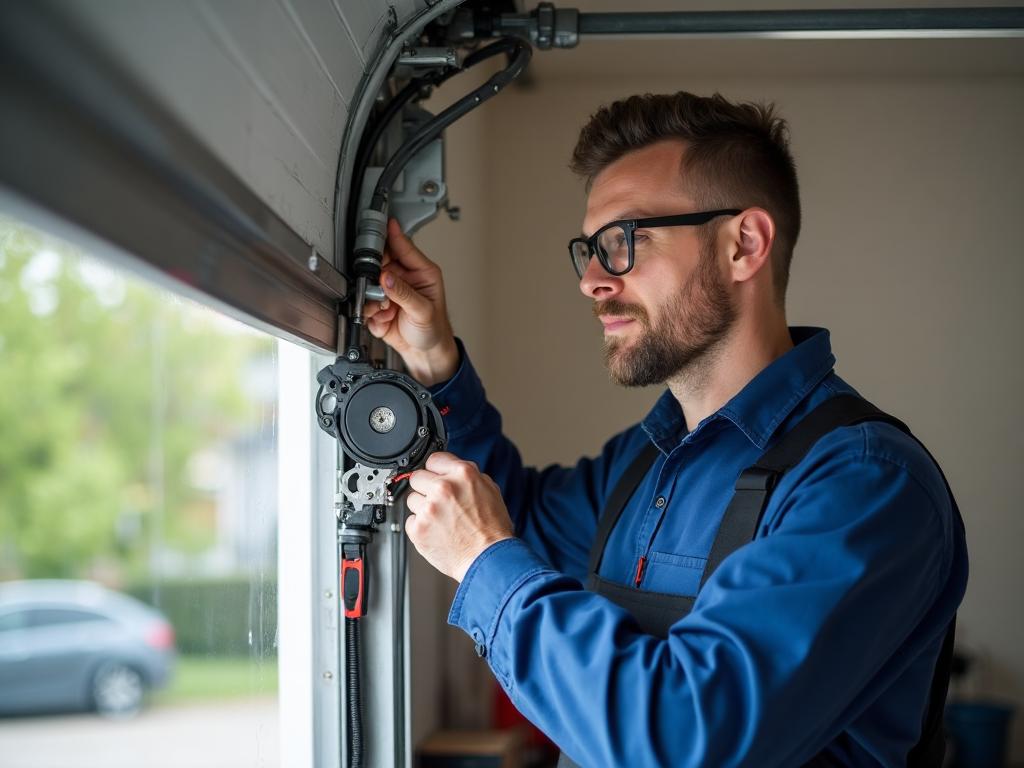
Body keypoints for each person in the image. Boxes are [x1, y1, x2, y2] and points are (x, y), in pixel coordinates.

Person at [362, 92, 968, 767]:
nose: (592, 281)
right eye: (590, 250)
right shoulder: (647, 461)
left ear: (743, 245)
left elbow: (686, 741)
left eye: (626, 241)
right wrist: (434, 360)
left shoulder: (863, 484)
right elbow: (514, 522)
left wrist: (483, 559)